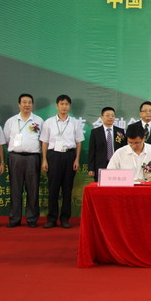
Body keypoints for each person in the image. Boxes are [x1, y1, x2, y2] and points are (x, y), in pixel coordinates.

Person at [40, 94, 84, 228]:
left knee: (67, 189)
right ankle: (51, 219)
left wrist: (77, 159)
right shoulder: (48, 122)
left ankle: (65, 218)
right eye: (61, 104)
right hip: (53, 156)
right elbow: (45, 142)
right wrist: (44, 160)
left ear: (69, 106)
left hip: (69, 156)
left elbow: (78, 142)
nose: (64, 107)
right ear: (57, 105)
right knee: (53, 189)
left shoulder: (75, 122)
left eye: (66, 104)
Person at [3, 93, 43, 228]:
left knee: (33, 189)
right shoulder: (11, 121)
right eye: (24, 102)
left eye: (29, 102)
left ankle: (32, 219)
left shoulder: (39, 121)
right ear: (19, 104)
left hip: (33, 158)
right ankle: (14, 218)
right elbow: (6, 140)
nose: (27, 105)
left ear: (32, 105)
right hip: (15, 157)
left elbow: (43, 141)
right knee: (15, 188)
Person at [87, 107, 126, 182]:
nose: (110, 117)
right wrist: (91, 168)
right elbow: (92, 151)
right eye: (107, 115)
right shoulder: (95, 132)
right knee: (101, 187)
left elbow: (124, 149)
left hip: (117, 165)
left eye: (112, 115)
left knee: (117, 186)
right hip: (100, 165)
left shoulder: (120, 132)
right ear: (101, 117)